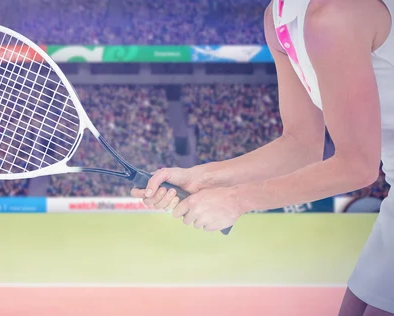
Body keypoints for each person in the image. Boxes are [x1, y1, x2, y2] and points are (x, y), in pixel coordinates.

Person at [131, 0, 394, 314]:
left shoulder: (334, 13)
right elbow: (300, 145)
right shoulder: (278, 16)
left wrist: (238, 200)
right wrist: (202, 178)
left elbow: (357, 166)